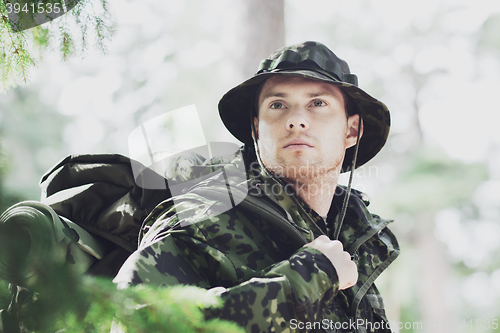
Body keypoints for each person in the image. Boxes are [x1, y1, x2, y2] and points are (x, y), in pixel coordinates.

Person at [114, 41, 400, 333]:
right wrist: (308, 277)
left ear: (351, 130)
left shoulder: (356, 244)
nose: (296, 121)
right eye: (278, 105)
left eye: (318, 103)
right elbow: (136, 323)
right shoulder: (202, 221)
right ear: (256, 130)